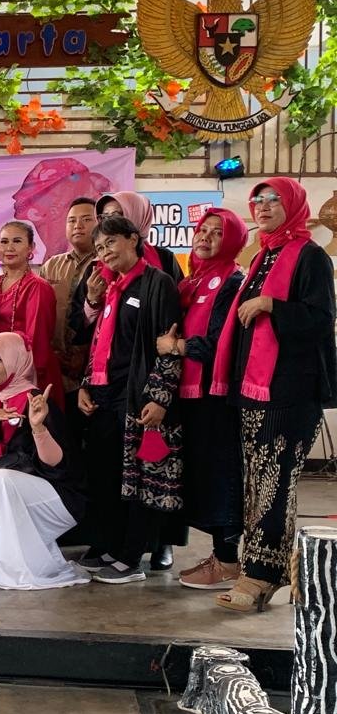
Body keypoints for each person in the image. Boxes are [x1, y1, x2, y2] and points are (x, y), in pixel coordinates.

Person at [210, 178, 337, 612]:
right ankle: (266, 568)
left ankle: (260, 575)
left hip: (290, 391)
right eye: (257, 200)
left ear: (294, 205)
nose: (262, 207)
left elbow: (320, 319)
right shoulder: (263, 255)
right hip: (253, 389)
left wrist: (270, 305)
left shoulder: (310, 256)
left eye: (273, 200)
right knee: (257, 483)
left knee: (274, 483)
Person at [77, 214, 183, 584]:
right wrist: (86, 384)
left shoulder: (158, 283)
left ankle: (132, 557)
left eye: (111, 242)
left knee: (140, 482)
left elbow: (169, 345)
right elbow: (99, 344)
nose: (105, 252)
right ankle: (111, 546)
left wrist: (160, 398)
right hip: (104, 396)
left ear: (133, 239)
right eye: (100, 247)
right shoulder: (111, 287)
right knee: (108, 477)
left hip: (138, 398)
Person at [0, 332, 89, 590]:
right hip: (23, 496)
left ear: (16, 361)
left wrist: (38, 428)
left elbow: (56, 464)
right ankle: (26, 563)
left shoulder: (37, 402)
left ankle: (17, 571)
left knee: (0, 482)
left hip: (60, 499)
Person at [156, 209, 246, 590]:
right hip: (189, 394)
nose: (205, 237)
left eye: (216, 233)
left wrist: (176, 346)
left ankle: (227, 561)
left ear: (232, 240)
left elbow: (219, 342)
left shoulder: (232, 280)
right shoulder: (192, 282)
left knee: (221, 474)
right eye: (202, 230)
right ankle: (220, 558)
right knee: (202, 476)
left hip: (215, 396)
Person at [0, 220, 63, 407]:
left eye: (17, 241)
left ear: (31, 248)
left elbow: (38, 343)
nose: (9, 247)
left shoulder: (38, 287)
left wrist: (22, 384)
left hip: (28, 376)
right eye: (4, 242)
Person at [39, 197, 99, 442]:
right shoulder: (51, 266)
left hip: (91, 372)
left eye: (86, 220)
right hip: (54, 369)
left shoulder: (107, 264)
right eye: (72, 221)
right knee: (56, 437)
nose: (78, 226)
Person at [96, 192, 183, 283]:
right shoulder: (96, 266)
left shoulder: (165, 258)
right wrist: (92, 293)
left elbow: (178, 290)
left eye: (116, 215)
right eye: (104, 217)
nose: (109, 223)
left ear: (137, 215)